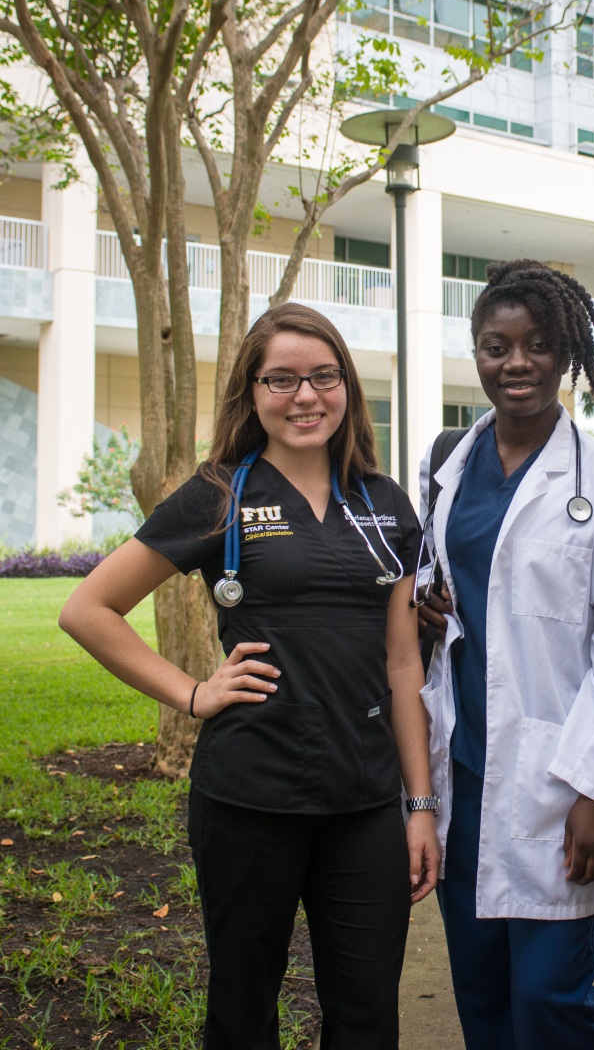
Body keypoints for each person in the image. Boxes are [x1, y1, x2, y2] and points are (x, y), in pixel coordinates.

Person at [57, 303, 438, 1050]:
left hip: (364, 803)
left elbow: (403, 663)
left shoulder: (385, 505)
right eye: (283, 379)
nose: (306, 396)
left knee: (367, 1014)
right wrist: (193, 694)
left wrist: (419, 803)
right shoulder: (219, 495)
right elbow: (89, 608)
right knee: (242, 1007)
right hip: (249, 794)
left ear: (347, 388)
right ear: (253, 393)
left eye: (324, 377)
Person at [414, 259, 594, 1050]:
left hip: (556, 771)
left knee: (552, 995)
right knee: (479, 987)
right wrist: (424, 598)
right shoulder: (446, 466)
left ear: (567, 354)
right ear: (475, 354)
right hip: (466, 767)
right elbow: (437, 575)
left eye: (538, 345)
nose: (516, 363)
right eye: (495, 346)